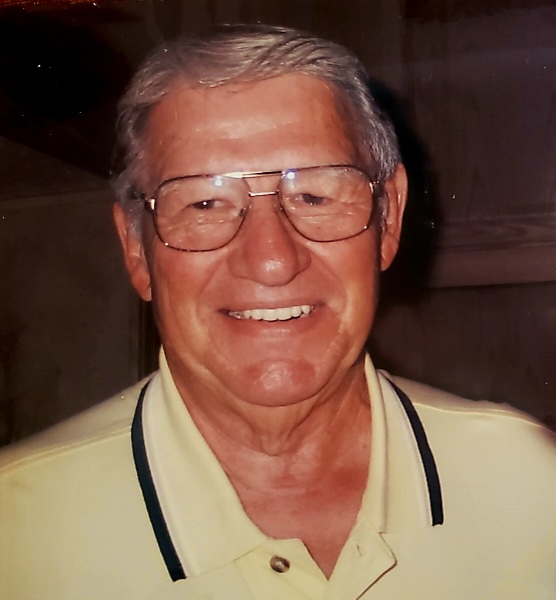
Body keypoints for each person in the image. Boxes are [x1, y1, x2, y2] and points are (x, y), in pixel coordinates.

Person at [1, 24, 555, 600]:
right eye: (206, 203)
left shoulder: (531, 485)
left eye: (314, 195)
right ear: (137, 249)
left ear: (388, 218)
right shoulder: (17, 534)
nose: (271, 261)